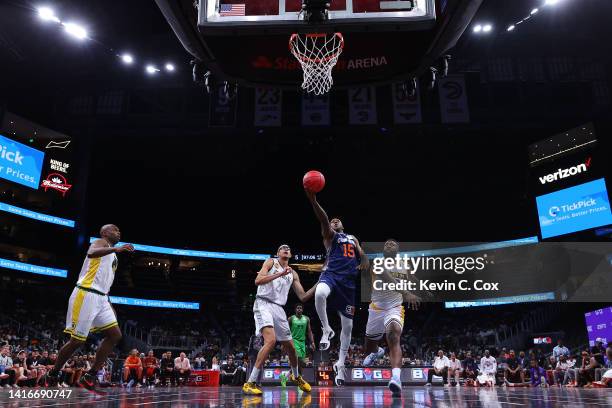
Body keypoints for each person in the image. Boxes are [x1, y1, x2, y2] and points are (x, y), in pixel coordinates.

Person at [45, 224, 134, 391]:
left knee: (115, 335)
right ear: (105, 232)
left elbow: (105, 281)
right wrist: (117, 250)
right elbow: (91, 253)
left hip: (101, 298)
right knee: (77, 341)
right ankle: (53, 373)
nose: (119, 231)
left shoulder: (112, 253)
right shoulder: (101, 242)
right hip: (86, 293)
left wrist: (108, 303)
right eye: (115, 229)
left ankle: (90, 375)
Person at [305, 190, 369, 386]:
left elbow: (361, 252)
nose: (334, 221)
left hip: (348, 283)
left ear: (343, 225)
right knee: (320, 293)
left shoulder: (352, 238)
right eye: (332, 221)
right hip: (331, 274)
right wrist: (314, 201)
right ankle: (326, 329)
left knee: (348, 327)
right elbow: (323, 219)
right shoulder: (330, 236)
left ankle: (340, 365)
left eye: (337, 220)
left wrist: (364, 258)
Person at [242, 244, 316, 395]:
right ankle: (250, 383)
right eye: (283, 248)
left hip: (279, 309)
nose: (286, 249)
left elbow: (303, 296)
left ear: (291, 254)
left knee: (291, 347)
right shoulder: (271, 262)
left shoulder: (293, 274)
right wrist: (279, 274)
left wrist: (321, 282)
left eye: (288, 248)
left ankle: (296, 377)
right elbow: (258, 280)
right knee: (271, 340)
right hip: (263, 303)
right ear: (278, 253)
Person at [363, 239, 419, 395]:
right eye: (386, 243)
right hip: (376, 308)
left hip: (394, 307)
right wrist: (406, 293)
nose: (388, 244)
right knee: (368, 348)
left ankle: (396, 379)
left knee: (393, 334)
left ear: (397, 249)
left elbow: (411, 277)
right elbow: (387, 278)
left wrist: (424, 289)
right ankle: (377, 351)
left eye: (392, 244)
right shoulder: (378, 262)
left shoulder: (404, 265)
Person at [288, 303, 316, 371]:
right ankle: (290, 375)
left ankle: (297, 375)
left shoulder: (306, 319)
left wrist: (312, 342)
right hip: (293, 340)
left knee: (301, 362)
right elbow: (287, 331)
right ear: (295, 310)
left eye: (300, 308)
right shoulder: (291, 318)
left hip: (302, 342)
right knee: (296, 358)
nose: (299, 309)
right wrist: (285, 342)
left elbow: (309, 331)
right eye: (298, 308)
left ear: (302, 310)